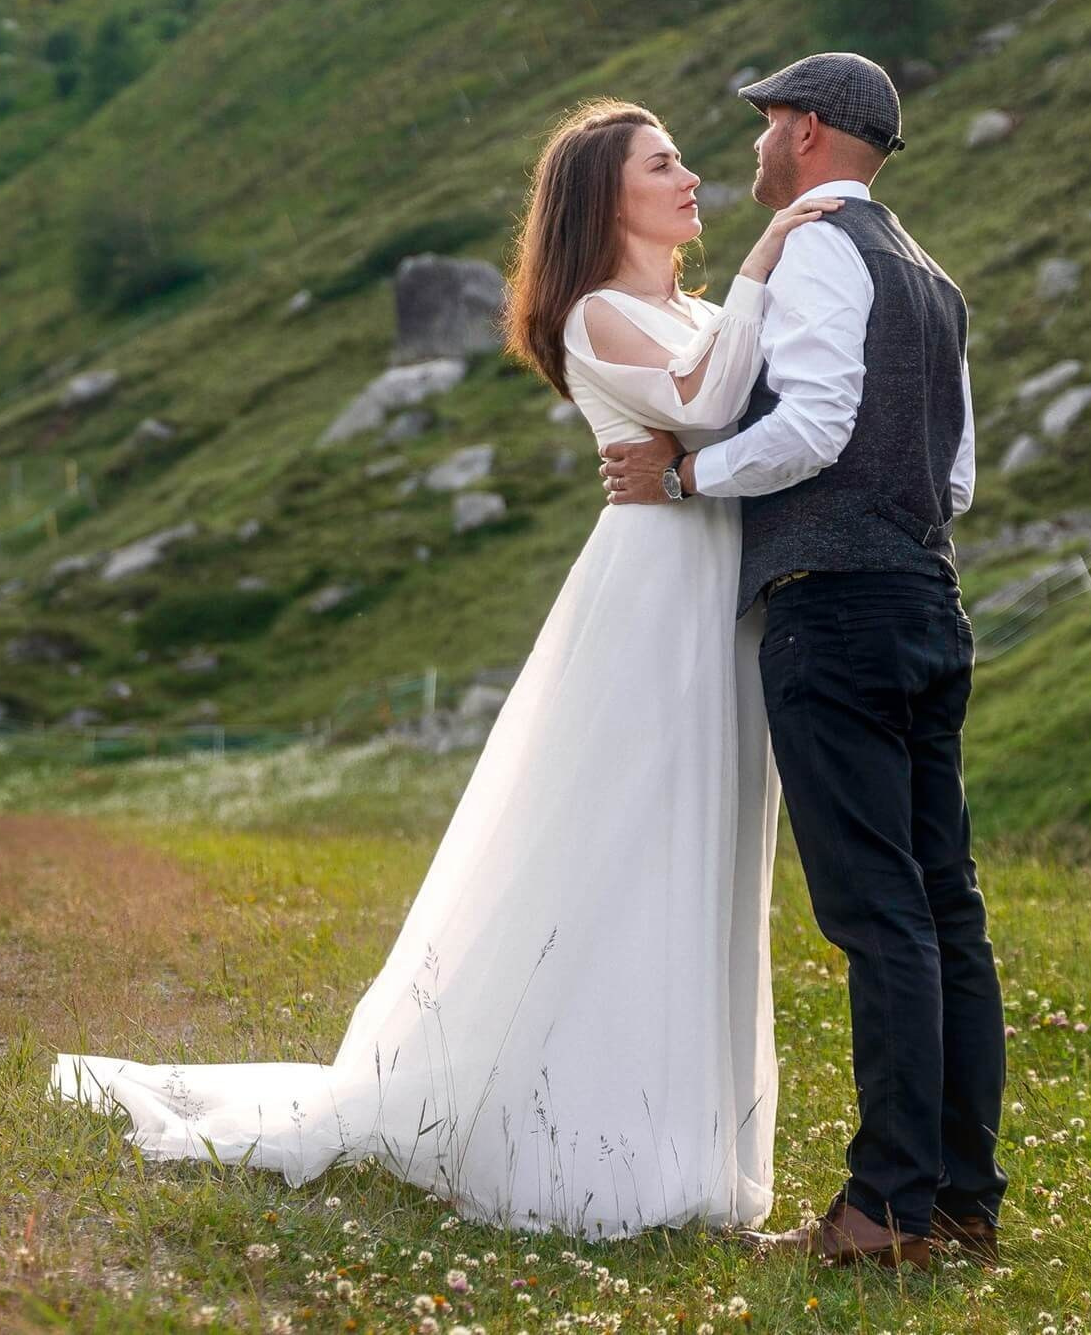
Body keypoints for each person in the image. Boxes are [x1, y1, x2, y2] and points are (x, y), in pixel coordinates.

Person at [47, 98, 838, 1241]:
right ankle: (580, 1145)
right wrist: (768, 258)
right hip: (655, 596)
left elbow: (761, 418)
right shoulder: (594, 313)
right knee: (626, 841)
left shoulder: (702, 312)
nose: (690, 178)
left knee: (707, 846)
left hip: (725, 596)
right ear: (602, 195)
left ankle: (679, 1143)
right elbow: (706, 402)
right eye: (662, 163)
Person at [600, 51, 1006, 1270]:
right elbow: (953, 478)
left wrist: (688, 475)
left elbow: (815, 425)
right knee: (944, 908)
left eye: (769, 121)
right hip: (927, 599)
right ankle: (959, 1199)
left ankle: (881, 1208)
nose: (756, 145)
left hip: (835, 612)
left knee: (879, 912)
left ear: (812, 131)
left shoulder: (820, 247)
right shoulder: (931, 276)